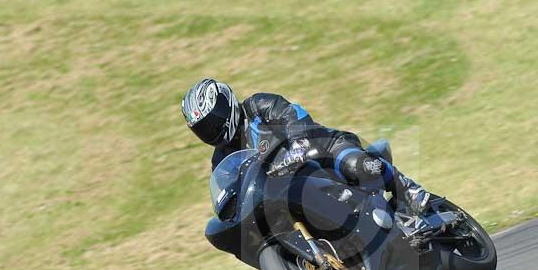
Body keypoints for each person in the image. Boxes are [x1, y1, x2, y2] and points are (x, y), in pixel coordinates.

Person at [181, 78, 431, 215]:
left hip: (321, 149)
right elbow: (231, 191)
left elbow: (294, 114)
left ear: (227, 103)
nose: (212, 130)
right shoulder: (221, 159)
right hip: (290, 190)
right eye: (203, 128)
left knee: (356, 165)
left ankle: (407, 188)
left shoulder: (257, 106)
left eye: (214, 119)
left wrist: (297, 143)